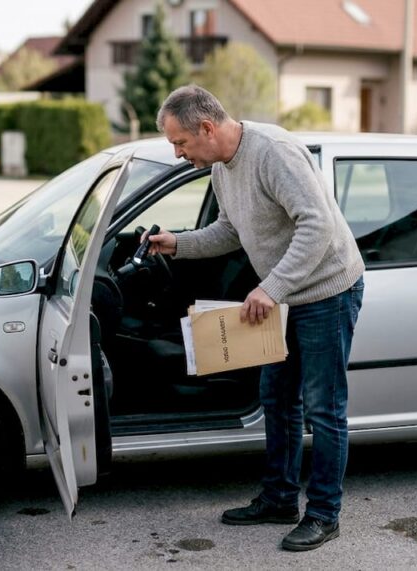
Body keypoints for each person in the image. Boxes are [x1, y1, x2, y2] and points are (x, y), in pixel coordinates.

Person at [147, 85, 365, 552]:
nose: (178, 153)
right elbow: (230, 229)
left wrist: (271, 288)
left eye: (180, 143)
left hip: (328, 290)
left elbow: (317, 225)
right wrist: (179, 243)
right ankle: (280, 499)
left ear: (206, 127)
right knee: (277, 398)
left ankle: (325, 514)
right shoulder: (223, 167)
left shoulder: (274, 152)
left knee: (324, 409)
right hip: (286, 297)